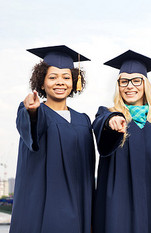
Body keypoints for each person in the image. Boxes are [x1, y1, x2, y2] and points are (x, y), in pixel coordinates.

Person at [92, 50, 151, 233]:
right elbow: (101, 127)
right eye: (124, 81)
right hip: (117, 208)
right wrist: (112, 122)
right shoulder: (107, 114)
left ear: (145, 84)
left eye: (136, 81)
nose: (129, 86)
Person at [13, 45, 94, 233]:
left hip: (79, 208)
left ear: (74, 82)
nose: (60, 82)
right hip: (43, 210)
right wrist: (31, 112)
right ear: (41, 83)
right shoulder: (35, 111)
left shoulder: (83, 120)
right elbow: (32, 128)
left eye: (66, 77)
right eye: (52, 77)